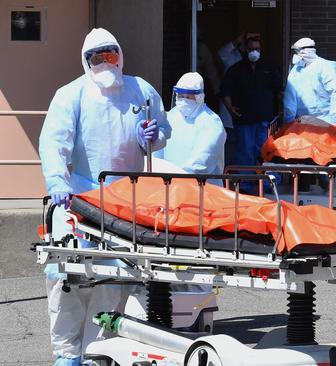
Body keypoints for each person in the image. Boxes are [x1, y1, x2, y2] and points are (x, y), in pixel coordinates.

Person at [38, 28, 171, 366]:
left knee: (115, 282)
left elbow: (163, 131)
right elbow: (54, 142)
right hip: (80, 201)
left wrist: (151, 138)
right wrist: (58, 182)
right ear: (86, 62)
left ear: (120, 55)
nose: (105, 63)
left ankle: (99, 353)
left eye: (110, 55)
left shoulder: (140, 90)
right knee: (67, 282)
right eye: (96, 58)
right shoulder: (71, 95)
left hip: (127, 202)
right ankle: (67, 355)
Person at [221, 36, 282, 193]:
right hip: (244, 120)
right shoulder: (235, 70)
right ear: (245, 50)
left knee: (266, 153)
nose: (254, 52)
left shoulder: (269, 68)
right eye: (251, 49)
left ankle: (268, 184)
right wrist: (230, 108)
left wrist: (281, 112)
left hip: (265, 119)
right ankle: (246, 185)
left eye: (257, 49)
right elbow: (226, 91)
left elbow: (279, 91)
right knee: (244, 151)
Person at [154, 72, 226, 184]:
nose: (183, 100)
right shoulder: (171, 116)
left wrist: (177, 179)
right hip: (169, 187)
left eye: (188, 97)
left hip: (203, 188)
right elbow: (158, 151)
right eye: (180, 96)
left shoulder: (211, 121)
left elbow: (203, 161)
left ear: (199, 97)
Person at [217, 31, 259, 165]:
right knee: (231, 145)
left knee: (249, 147)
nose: (253, 52)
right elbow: (221, 54)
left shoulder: (258, 64)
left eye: (255, 49)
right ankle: (230, 173)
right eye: (249, 47)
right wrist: (237, 40)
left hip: (249, 115)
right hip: (230, 113)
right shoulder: (232, 57)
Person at [284, 37, 336, 128]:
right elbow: (290, 98)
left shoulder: (327, 67)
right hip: (301, 123)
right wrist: (289, 123)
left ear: (308, 51)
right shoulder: (295, 70)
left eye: (298, 51)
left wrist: (334, 122)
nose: (296, 55)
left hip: (325, 122)